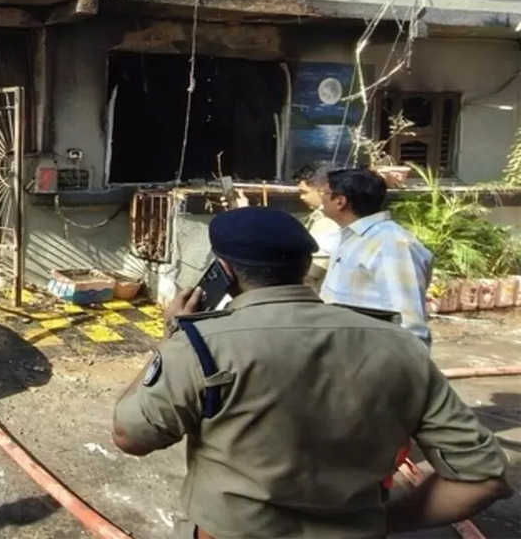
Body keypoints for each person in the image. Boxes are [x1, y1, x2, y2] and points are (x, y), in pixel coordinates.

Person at [112, 207, 510, 538]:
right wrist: (384, 523)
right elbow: (483, 477)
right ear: (306, 266)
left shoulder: (200, 345)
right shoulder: (399, 344)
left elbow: (130, 436)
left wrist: (170, 338)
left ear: (224, 272)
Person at [319, 167, 433, 346]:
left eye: (325, 192)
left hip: (375, 356)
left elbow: (409, 322)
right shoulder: (350, 236)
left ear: (340, 201)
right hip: (349, 350)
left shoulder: (392, 244)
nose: (321, 198)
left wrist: (408, 369)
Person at [294, 161, 341, 290]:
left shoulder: (327, 221)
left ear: (321, 189)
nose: (302, 197)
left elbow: (312, 271)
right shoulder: (322, 217)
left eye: (305, 192)